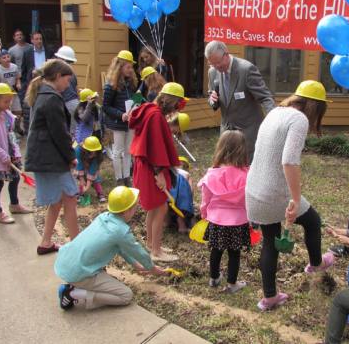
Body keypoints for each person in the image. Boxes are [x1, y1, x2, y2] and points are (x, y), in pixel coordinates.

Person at [246, 80, 334, 311]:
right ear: (316, 107)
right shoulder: (299, 119)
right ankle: (316, 264)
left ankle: (269, 297)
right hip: (275, 192)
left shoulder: (276, 111)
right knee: (313, 221)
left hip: (254, 189)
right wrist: (295, 199)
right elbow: (289, 161)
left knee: (270, 241)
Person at [54, 186, 170, 311]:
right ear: (127, 211)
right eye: (135, 207)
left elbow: (119, 246)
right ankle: (73, 294)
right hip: (79, 273)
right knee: (125, 295)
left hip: (66, 263)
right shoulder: (121, 231)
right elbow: (139, 253)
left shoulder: (104, 217)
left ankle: (79, 285)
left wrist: (135, 265)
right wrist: (152, 268)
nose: (137, 209)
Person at [24, 59, 79, 255]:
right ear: (57, 76)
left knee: (57, 201)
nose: (68, 85)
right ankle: (77, 247)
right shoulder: (52, 98)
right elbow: (59, 133)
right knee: (70, 198)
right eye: (67, 80)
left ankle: (46, 242)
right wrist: (71, 156)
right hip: (51, 158)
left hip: (45, 157)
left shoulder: (42, 93)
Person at [129, 82, 185, 262]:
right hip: (151, 168)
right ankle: (156, 251)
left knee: (153, 208)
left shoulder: (150, 110)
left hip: (145, 167)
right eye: (178, 104)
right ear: (172, 102)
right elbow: (154, 149)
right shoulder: (155, 116)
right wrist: (159, 173)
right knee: (160, 207)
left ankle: (151, 245)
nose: (178, 108)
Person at [198, 130, 251, 293]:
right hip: (238, 220)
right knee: (234, 253)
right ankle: (232, 284)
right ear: (242, 149)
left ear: (220, 148)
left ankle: (214, 278)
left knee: (216, 249)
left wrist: (204, 211)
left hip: (217, 219)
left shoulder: (212, 173)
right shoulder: (246, 175)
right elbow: (249, 199)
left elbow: (205, 197)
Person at [205, 40, 275, 161]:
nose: (216, 67)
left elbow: (265, 97)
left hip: (248, 134)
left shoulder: (246, 70)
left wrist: (275, 120)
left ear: (226, 54)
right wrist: (212, 100)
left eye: (218, 63)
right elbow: (212, 97)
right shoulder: (213, 72)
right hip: (226, 135)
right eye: (212, 64)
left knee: (247, 172)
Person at [0, 83, 32, 224]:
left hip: (10, 153)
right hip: (0, 157)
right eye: (5, 101)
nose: (8, 104)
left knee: (16, 177)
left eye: (9, 101)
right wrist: (4, 156)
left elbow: (11, 135)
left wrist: (16, 151)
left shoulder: (7, 115)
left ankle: (14, 204)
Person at [102, 50, 137, 186]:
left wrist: (137, 103)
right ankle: (119, 179)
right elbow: (105, 107)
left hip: (130, 122)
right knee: (118, 151)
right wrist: (120, 115)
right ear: (120, 67)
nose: (130, 70)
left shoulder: (132, 83)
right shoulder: (111, 85)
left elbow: (133, 99)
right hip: (118, 123)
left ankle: (127, 177)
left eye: (131, 67)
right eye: (128, 67)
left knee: (129, 150)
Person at [21, 31, 53, 135]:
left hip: (46, 81)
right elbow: (24, 69)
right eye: (37, 39)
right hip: (33, 82)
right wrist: (26, 83)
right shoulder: (27, 52)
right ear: (32, 40)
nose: (39, 41)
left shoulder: (49, 51)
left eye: (40, 39)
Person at [55, 45, 80, 136]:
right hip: (76, 104)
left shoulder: (60, 74)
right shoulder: (72, 72)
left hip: (67, 104)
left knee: (68, 134)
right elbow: (77, 90)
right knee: (75, 132)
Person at [0, 50, 23, 133]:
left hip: (13, 91)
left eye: (8, 57)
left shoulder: (14, 67)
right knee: (7, 113)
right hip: (4, 94)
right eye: (4, 58)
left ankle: (17, 128)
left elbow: (17, 77)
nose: (7, 59)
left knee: (18, 111)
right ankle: (9, 131)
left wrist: (18, 83)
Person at [75, 136, 106, 203]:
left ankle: (100, 194)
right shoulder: (78, 150)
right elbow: (79, 165)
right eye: (91, 151)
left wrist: (88, 185)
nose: (93, 153)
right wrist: (82, 179)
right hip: (80, 164)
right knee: (77, 178)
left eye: (95, 151)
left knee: (95, 178)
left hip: (91, 165)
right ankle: (79, 194)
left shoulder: (99, 155)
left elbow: (93, 169)